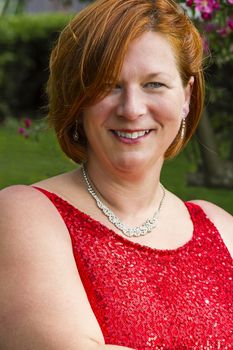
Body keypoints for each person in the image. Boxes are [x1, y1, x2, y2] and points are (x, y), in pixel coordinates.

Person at [0, 0, 232, 349]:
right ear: (78, 101)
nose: (132, 109)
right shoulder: (24, 214)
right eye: (109, 85)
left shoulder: (221, 229)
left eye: (154, 84)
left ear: (186, 96)